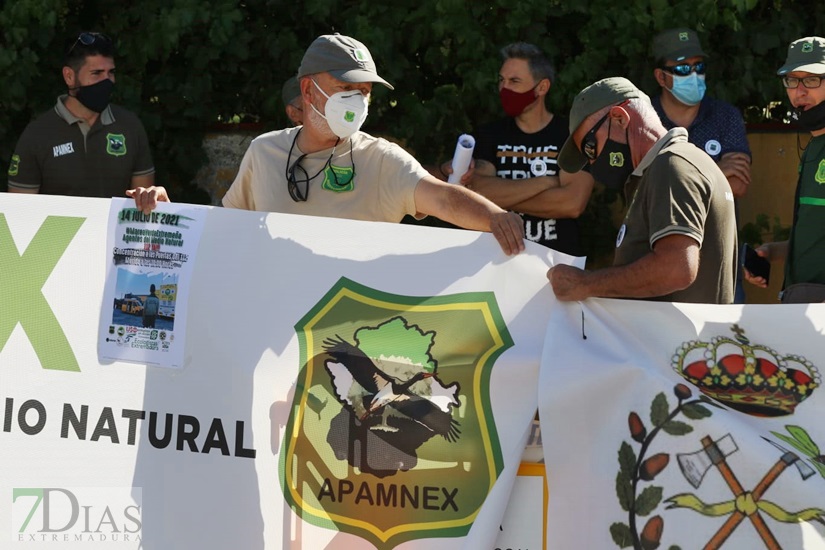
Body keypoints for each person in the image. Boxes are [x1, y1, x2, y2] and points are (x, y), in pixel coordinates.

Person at [131, 34, 524, 256]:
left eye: (364, 92)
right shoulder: (264, 152)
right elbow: (225, 231)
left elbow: (444, 199)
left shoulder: (381, 159)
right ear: (308, 89)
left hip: (346, 342)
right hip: (273, 334)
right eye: (345, 88)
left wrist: (496, 219)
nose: (357, 101)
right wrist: (171, 217)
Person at [546, 77, 737, 304]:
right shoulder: (674, 165)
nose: (593, 160)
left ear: (619, 118)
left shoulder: (672, 166)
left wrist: (585, 284)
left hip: (676, 339)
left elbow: (676, 268)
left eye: (590, 147)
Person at [443, 42, 593, 256]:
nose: (505, 88)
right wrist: (547, 182)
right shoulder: (489, 135)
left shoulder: (569, 135)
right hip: (497, 261)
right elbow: (477, 191)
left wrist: (502, 195)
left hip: (554, 264)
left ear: (542, 87)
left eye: (514, 81)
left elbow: (572, 203)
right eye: (501, 80)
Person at [651, 28, 751, 302]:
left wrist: (673, 178)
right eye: (682, 68)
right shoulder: (644, 119)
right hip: (658, 267)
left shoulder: (725, 116)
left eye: (699, 66)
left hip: (720, 270)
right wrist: (717, 170)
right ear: (661, 76)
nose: (693, 75)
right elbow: (642, 187)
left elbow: (738, 185)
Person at [7, 31, 155, 197]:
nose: (107, 81)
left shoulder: (129, 126)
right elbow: (19, 214)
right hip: (58, 225)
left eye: (111, 72)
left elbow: (143, 209)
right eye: (97, 73)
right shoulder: (38, 134)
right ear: (69, 76)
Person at [744, 36, 825, 303]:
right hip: (800, 307)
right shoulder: (814, 146)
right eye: (792, 80)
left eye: (812, 79)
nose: (799, 91)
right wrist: (774, 251)